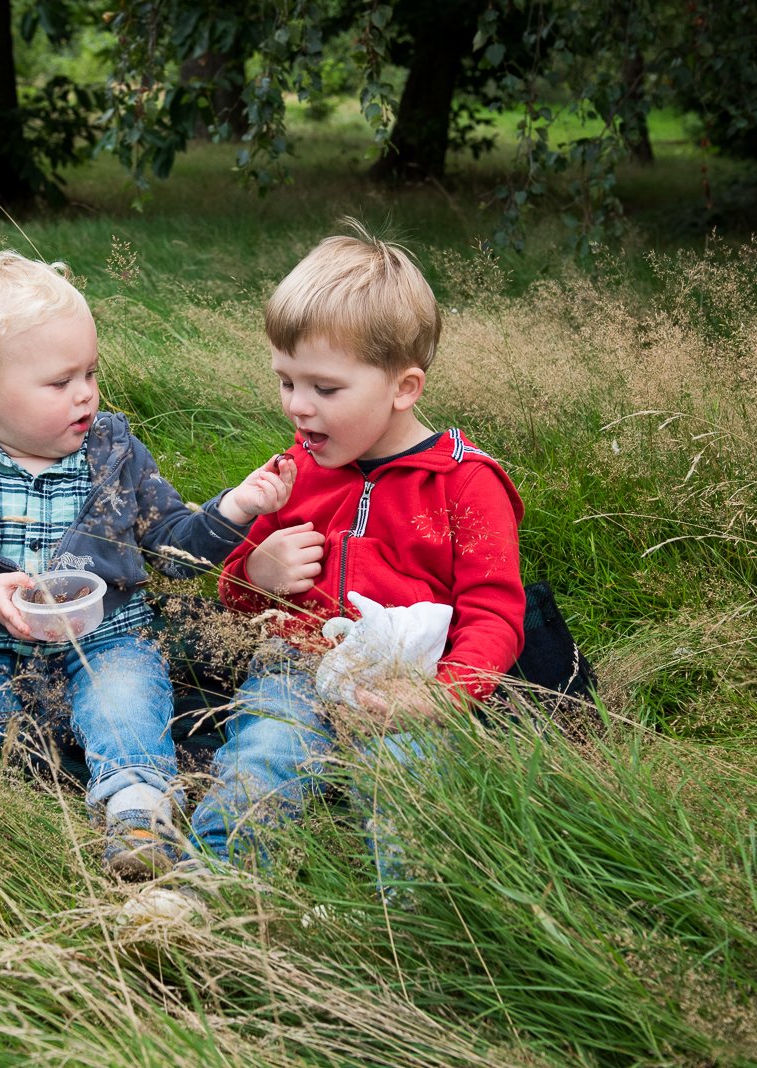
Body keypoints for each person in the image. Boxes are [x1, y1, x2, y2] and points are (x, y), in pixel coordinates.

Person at [0, 251, 292, 880]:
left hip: (106, 640)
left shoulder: (114, 457)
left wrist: (234, 508)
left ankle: (137, 816)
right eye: (60, 382)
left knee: (126, 699)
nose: (86, 394)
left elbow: (172, 545)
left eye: (90, 373)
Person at [186, 222, 526, 871]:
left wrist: (443, 694)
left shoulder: (466, 482)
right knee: (263, 755)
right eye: (287, 382)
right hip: (295, 664)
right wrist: (255, 568)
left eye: (325, 389)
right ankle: (212, 882)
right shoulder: (296, 467)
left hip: (407, 678)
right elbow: (238, 590)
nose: (298, 408)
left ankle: (409, 920)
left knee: (407, 781)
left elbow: (495, 614)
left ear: (404, 388)